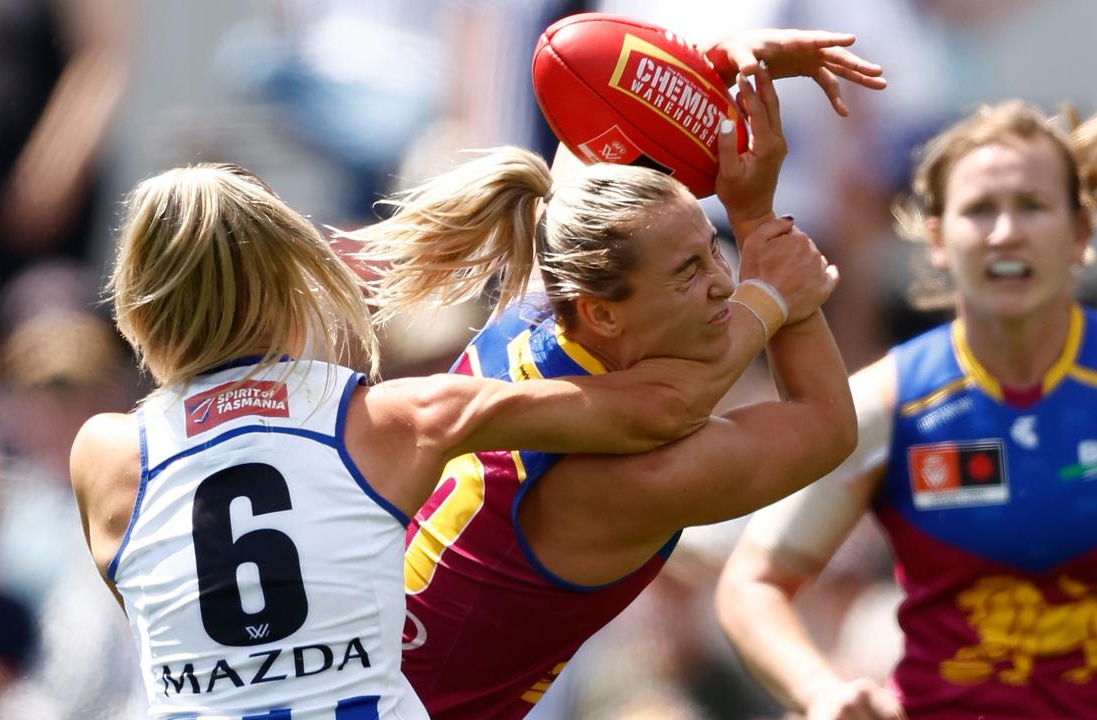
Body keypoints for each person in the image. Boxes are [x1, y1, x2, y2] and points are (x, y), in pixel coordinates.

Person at [70, 162, 781, 719]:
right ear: (291, 284)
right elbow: (663, 409)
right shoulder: (393, 419)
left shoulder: (103, 454)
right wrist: (769, 297)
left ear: (135, 298)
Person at [347, 60, 859, 719]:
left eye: (714, 249)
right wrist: (762, 238)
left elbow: (590, 110)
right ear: (603, 313)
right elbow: (825, 423)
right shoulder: (625, 483)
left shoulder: (539, 307)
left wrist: (723, 64)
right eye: (686, 273)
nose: (723, 282)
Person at [716, 99, 1097, 720]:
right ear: (938, 238)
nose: (1005, 232)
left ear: (1080, 234)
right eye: (979, 210)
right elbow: (750, 585)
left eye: (1032, 205)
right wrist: (821, 690)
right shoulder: (893, 400)